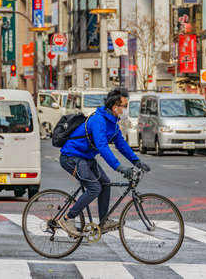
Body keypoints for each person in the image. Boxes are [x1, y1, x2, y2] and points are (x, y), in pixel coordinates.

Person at [58, 88, 151, 236]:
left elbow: (121, 144)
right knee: (95, 188)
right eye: (125, 106)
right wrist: (119, 167)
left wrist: (136, 161)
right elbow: (102, 146)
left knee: (105, 183)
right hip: (72, 157)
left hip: (86, 158)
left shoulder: (112, 124)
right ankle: (68, 218)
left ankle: (103, 221)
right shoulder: (98, 120)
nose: (126, 109)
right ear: (115, 107)